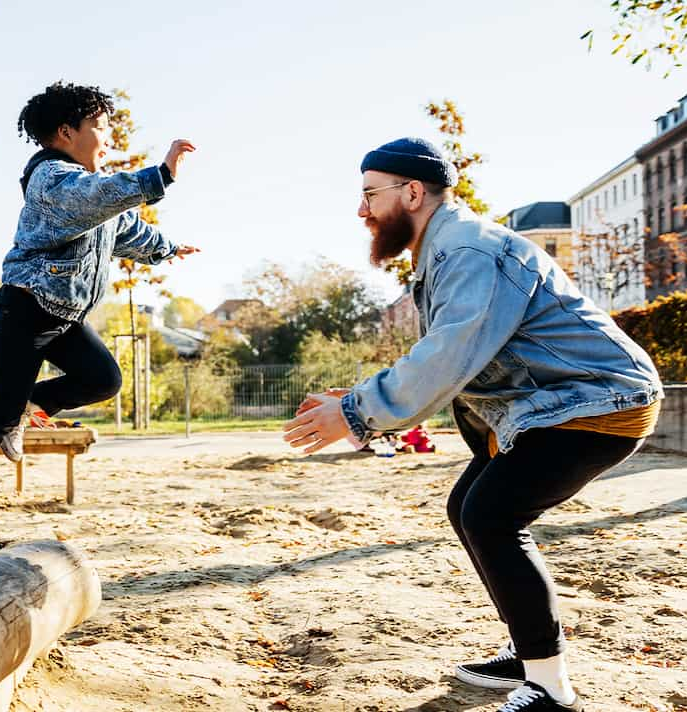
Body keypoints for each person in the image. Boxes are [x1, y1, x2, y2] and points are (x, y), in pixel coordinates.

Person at [284, 138, 663, 712]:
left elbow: (449, 355)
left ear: (412, 193)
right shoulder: (445, 251)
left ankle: (551, 691)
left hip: (596, 402)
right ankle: (529, 650)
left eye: (369, 195)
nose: (362, 211)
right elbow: (455, 361)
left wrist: (358, 413)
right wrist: (359, 399)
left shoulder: (466, 250)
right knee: (470, 507)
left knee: (492, 515)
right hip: (552, 406)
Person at [0, 80, 199, 543]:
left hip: (63, 316)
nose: (107, 139)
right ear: (67, 133)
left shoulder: (88, 192)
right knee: (1, 410)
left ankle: (35, 406)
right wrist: (160, 174)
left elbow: (125, 229)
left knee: (103, 379)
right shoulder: (53, 179)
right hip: (25, 309)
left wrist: (167, 249)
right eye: (101, 128)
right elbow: (101, 197)